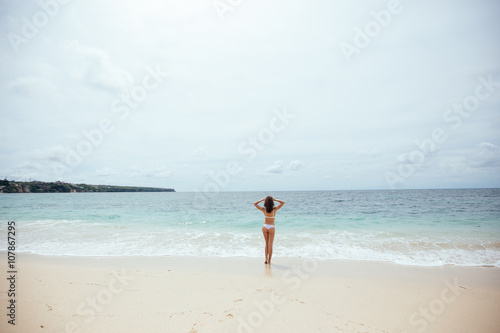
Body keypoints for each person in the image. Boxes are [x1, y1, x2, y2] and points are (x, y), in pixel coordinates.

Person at [253, 196, 285, 264]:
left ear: (265, 202)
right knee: (270, 245)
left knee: (266, 244)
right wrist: (275, 199)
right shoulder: (275, 209)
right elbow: (283, 202)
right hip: (271, 227)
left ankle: (265, 259)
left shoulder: (263, 209)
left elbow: (255, 204)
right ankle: (269, 260)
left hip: (264, 227)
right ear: (272, 202)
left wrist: (263, 199)